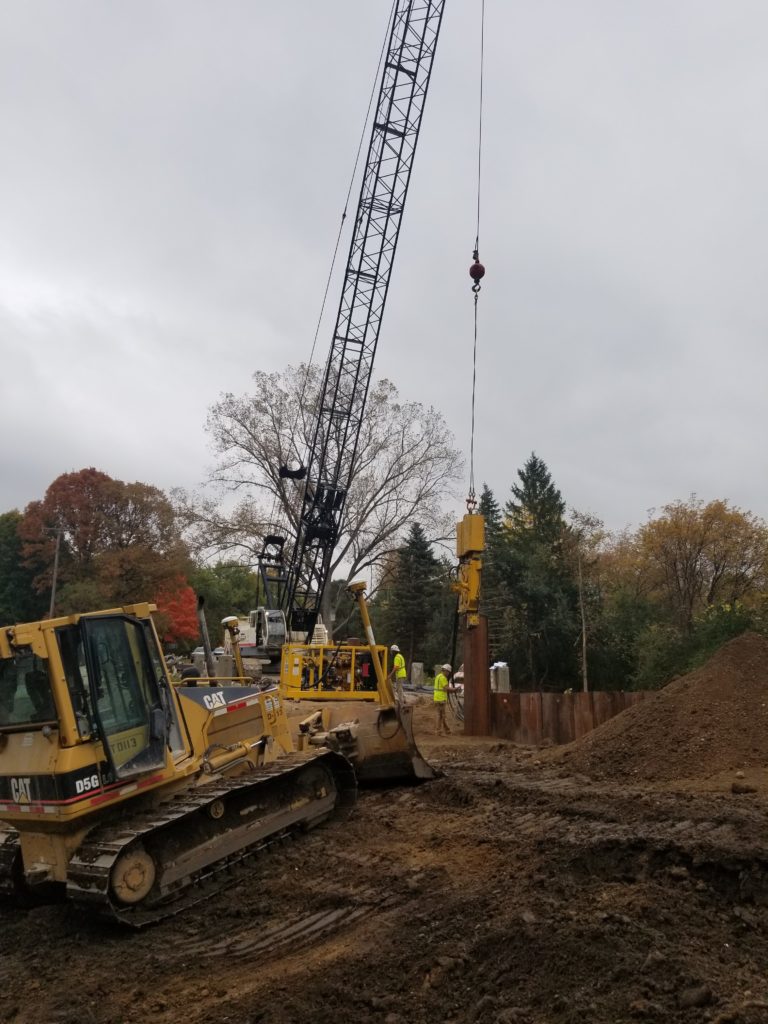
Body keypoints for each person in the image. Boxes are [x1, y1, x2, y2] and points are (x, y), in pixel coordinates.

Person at [433, 663, 454, 736]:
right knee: (441, 716)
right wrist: (454, 689)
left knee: (441, 715)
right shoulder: (443, 678)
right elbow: (446, 688)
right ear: (445, 671)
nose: (448, 674)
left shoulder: (438, 676)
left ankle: (446, 730)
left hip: (437, 698)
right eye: (448, 672)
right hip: (441, 699)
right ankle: (439, 731)